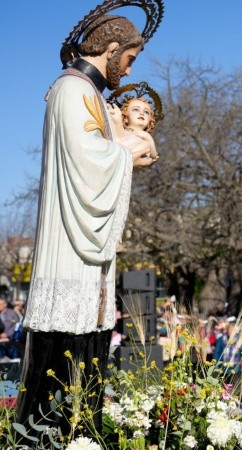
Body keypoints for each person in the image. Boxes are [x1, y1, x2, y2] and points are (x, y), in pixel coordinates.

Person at [17, 8, 159, 432]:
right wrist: (125, 154)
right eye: (129, 59)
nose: (129, 69)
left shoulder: (93, 94)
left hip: (87, 244)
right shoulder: (71, 88)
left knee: (88, 359)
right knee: (57, 368)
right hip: (69, 240)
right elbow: (84, 161)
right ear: (111, 49)